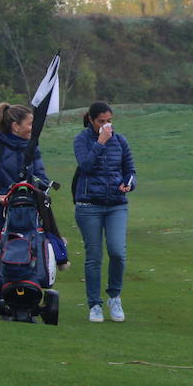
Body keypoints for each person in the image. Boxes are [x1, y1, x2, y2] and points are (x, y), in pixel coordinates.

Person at [0, 102, 64, 273]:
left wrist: (40, 189)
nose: (32, 128)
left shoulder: (32, 147)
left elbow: (41, 176)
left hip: (28, 213)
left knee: (29, 257)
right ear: (15, 126)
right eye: (29, 124)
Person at [72, 101, 135, 323]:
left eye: (109, 121)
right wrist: (100, 142)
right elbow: (86, 166)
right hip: (89, 205)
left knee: (118, 252)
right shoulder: (82, 139)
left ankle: (114, 296)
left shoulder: (120, 141)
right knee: (94, 256)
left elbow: (130, 171)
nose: (106, 125)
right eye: (101, 121)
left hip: (116, 204)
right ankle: (94, 304)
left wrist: (129, 183)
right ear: (91, 120)